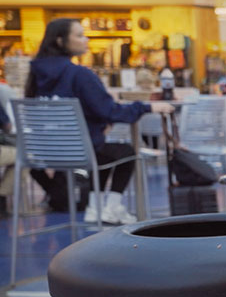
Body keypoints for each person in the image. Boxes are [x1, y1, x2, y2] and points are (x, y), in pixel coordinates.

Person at [25, 18, 174, 224]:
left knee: (103, 155)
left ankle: (96, 208)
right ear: (60, 41)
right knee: (125, 153)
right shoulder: (80, 75)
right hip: (82, 152)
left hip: (42, 154)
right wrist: (147, 106)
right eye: (79, 35)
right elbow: (110, 111)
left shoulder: (34, 75)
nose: (85, 40)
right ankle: (111, 207)